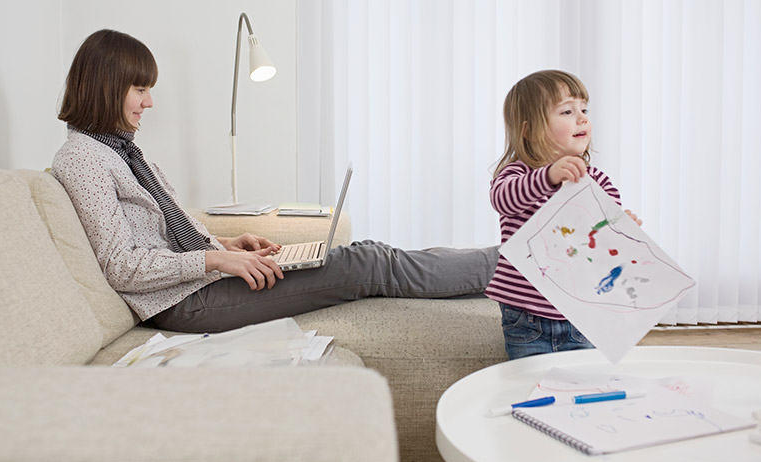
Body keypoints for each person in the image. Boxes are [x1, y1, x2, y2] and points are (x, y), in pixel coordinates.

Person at [52, 29, 498, 333]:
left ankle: (501, 268)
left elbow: (158, 235)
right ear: (106, 87)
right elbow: (122, 267)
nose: (149, 102)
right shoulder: (83, 158)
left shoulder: (117, 149)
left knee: (366, 255)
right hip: (181, 304)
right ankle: (513, 266)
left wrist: (225, 244)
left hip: (194, 284)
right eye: (140, 89)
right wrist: (214, 263)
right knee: (368, 263)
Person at [486, 70, 642, 360]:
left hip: (582, 313)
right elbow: (502, 200)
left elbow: (601, 243)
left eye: (584, 109)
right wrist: (547, 176)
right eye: (568, 111)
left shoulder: (597, 180)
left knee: (584, 384)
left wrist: (622, 227)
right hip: (527, 316)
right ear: (529, 130)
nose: (582, 118)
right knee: (531, 388)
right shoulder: (519, 173)